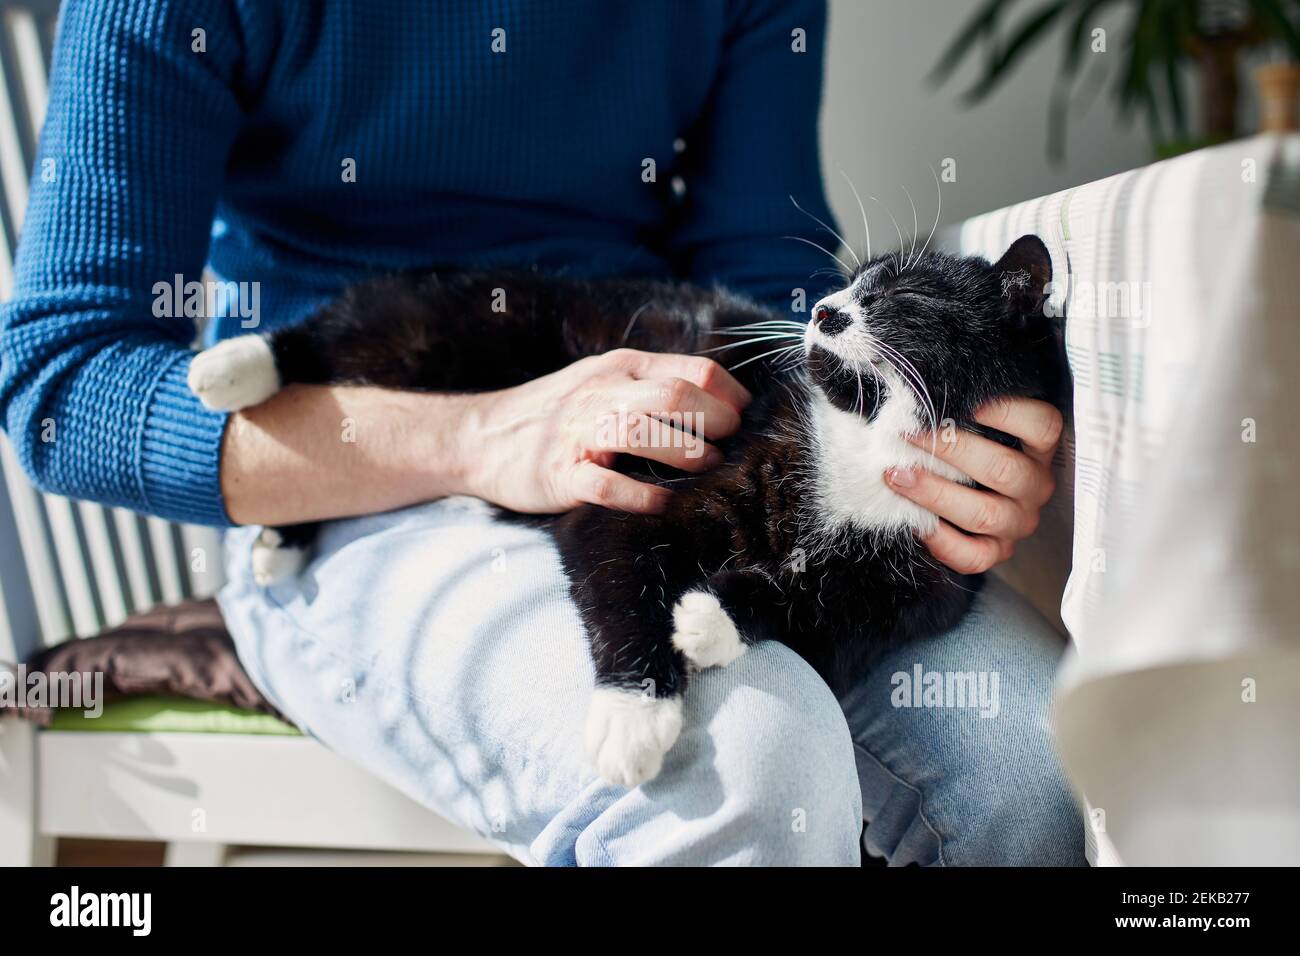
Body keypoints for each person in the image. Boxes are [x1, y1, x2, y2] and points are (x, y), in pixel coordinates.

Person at [0, 0, 1083, 865]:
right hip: (347, 486)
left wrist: (932, 436)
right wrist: (488, 433)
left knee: (1035, 757)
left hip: (683, 440)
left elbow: (763, 279)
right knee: (746, 761)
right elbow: (64, 383)